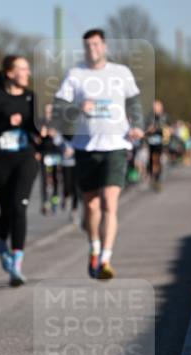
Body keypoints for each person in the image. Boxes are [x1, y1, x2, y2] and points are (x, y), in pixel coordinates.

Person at [53, 28, 144, 280]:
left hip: (116, 145)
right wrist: (77, 107)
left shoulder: (121, 73)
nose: (91, 49)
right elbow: (59, 107)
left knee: (108, 202)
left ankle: (106, 258)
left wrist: (137, 125)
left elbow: (135, 102)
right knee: (91, 205)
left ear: (104, 46)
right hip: (86, 147)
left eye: (95, 44)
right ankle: (94, 247)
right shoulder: (76, 74)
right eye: (87, 46)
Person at [0, 55, 40, 286]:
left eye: (27, 69)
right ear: (10, 73)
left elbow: (38, 127)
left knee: (19, 206)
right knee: (6, 209)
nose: (27, 73)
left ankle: (17, 264)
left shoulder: (32, 98)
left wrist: (45, 129)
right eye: (22, 69)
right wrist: (5, 125)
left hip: (25, 158)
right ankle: (2, 243)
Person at [144, 99, 169, 191]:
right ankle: (151, 177)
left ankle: (158, 179)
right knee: (151, 159)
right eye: (154, 106)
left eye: (157, 105)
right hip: (151, 142)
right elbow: (145, 128)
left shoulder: (165, 116)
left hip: (160, 142)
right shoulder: (149, 116)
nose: (155, 107)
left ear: (161, 107)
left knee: (158, 160)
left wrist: (157, 130)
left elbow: (167, 129)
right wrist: (149, 130)